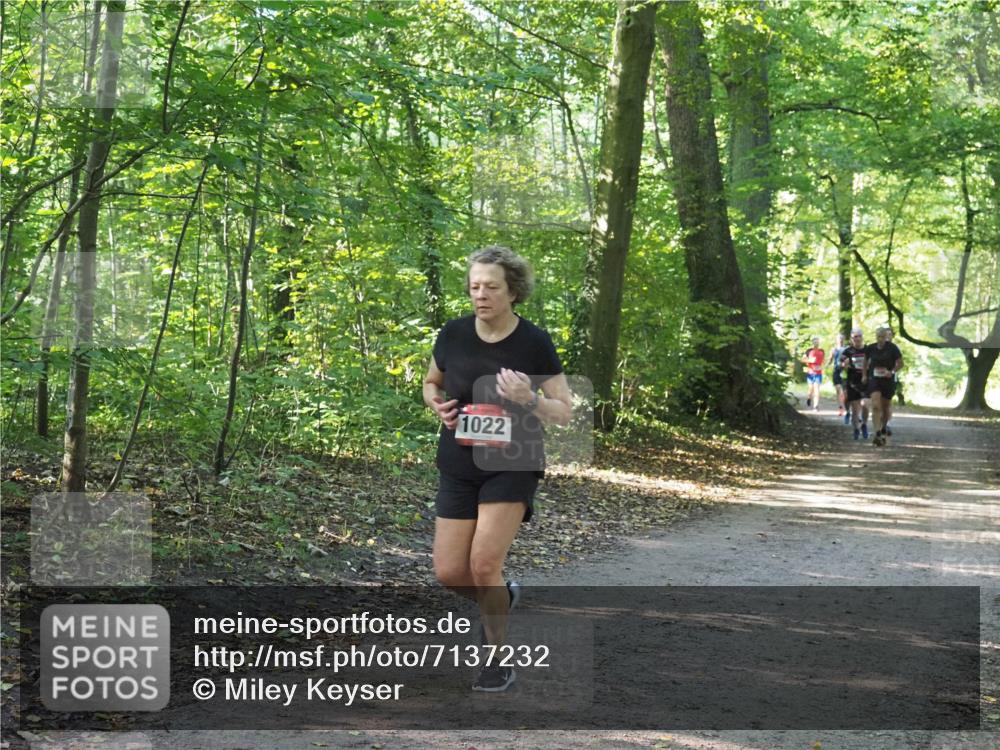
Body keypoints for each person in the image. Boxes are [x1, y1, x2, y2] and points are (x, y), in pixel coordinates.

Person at [422, 245, 572, 692]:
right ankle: (502, 599)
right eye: (474, 287)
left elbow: (564, 411)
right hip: (459, 462)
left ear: (513, 292)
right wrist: (437, 404)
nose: (480, 295)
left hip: (513, 464)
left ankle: (497, 657)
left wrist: (530, 400)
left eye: (491, 287)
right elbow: (432, 382)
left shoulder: (534, 342)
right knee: (450, 572)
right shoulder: (452, 334)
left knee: (484, 563)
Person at [863, 326, 903, 446]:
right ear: (876, 337)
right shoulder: (870, 348)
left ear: (886, 337)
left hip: (887, 380)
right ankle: (877, 432)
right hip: (874, 379)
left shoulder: (893, 348)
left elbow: (900, 363)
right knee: (875, 405)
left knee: (885, 407)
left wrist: (891, 372)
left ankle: (884, 426)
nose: (880, 339)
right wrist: (864, 375)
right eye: (878, 336)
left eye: (882, 337)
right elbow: (865, 362)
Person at [839, 328, 870, 440]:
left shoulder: (868, 350)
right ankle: (856, 429)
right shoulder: (847, 351)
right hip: (852, 382)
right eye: (854, 337)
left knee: (865, 405)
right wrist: (844, 364)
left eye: (859, 336)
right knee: (855, 409)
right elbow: (840, 364)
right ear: (851, 339)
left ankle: (864, 424)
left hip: (866, 381)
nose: (857, 339)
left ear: (862, 337)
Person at [828, 333, 848, 422]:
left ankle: (845, 407)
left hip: (844, 371)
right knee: (838, 390)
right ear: (836, 340)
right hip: (836, 370)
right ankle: (841, 408)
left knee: (844, 392)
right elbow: (830, 359)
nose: (840, 340)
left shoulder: (847, 349)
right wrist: (826, 365)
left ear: (844, 339)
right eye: (838, 338)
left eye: (841, 338)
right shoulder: (833, 349)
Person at [801, 336, 825, 412]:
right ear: (812, 342)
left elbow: (822, 361)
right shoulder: (809, 351)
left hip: (818, 373)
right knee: (810, 389)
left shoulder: (822, 351)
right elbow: (803, 360)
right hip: (810, 373)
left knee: (817, 389)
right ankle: (809, 397)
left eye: (817, 341)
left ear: (819, 342)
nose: (816, 342)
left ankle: (815, 406)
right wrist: (810, 360)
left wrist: (821, 367)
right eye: (814, 341)